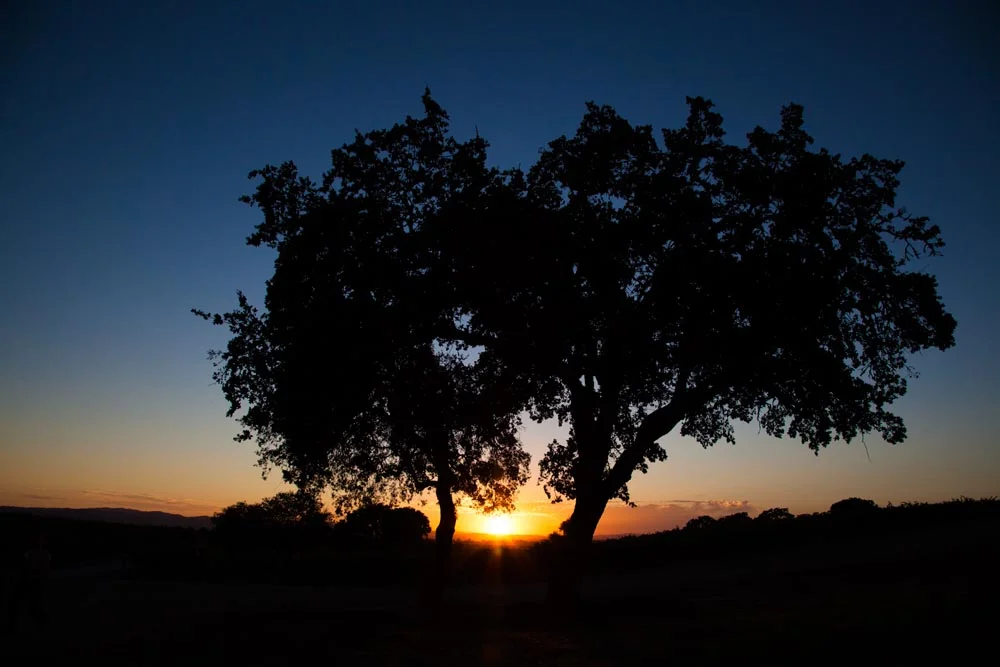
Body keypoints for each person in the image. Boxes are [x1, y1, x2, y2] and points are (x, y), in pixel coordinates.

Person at [7, 532, 51, 631]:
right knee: (22, 603)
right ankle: (12, 625)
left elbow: (45, 570)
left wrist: (36, 576)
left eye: (40, 540)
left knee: (34, 605)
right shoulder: (31, 553)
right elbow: (25, 566)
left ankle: (41, 624)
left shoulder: (44, 555)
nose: (38, 542)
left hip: (34, 582)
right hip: (28, 581)